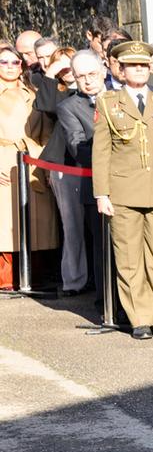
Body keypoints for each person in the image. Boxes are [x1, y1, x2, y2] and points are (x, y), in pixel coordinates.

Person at [91, 42, 153, 338]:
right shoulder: (108, 102)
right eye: (133, 66)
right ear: (121, 70)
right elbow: (101, 151)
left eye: (144, 65)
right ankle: (139, 318)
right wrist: (102, 194)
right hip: (123, 192)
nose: (139, 70)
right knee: (129, 258)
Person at [48, 51, 108, 296]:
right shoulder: (69, 107)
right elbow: (78, 148)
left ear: (104, 71)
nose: (88, 80)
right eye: (81, 76)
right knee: (102, 247)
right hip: (97, 184)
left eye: (92, 73)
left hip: (134, 183)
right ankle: (106, 304)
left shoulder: (121, 96)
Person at [0, 44, 50, 289]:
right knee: (5, 222)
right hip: (4, 159)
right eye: (4, 62)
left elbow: (47, 131)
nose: (10, 66)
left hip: (34, 159)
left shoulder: (34, 93)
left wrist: (46, 161)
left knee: (37, 221)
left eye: (15, 62)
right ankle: (7, 278)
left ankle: (35, 275)